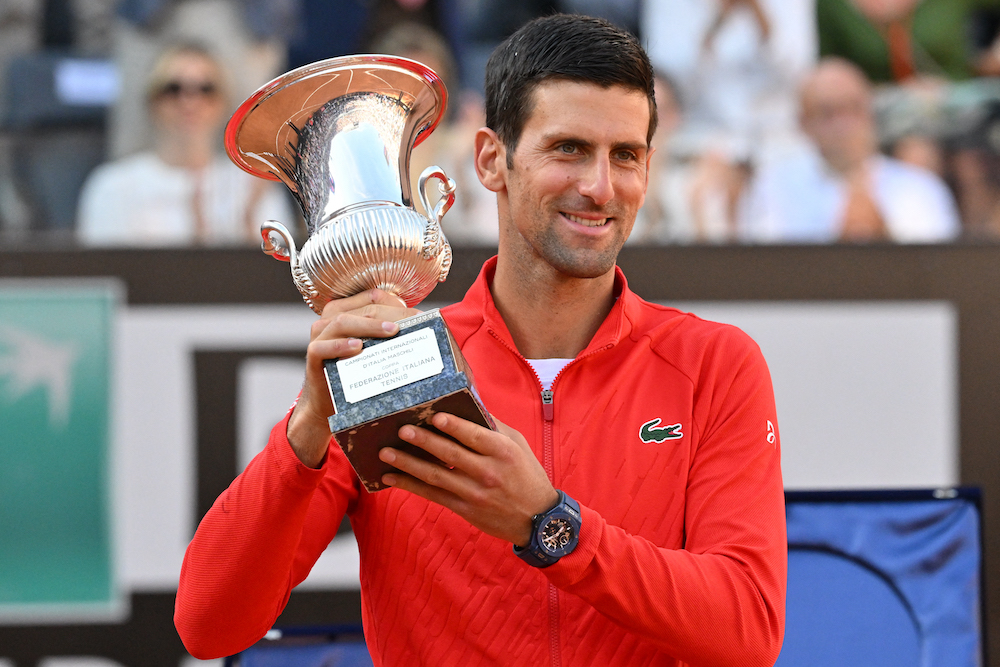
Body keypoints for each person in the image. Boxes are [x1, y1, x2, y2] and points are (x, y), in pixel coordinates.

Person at [175, 14, 786, 666]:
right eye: (569, 148)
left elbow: (746, 630)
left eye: (626, 155)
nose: (601, 187)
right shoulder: (396, 360)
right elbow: (210, 624)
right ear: (491, 160)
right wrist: (307, 428)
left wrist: (548, 524)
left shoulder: (714, 362)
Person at [76, 43, 293, 247]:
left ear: (223, 103)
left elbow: (280, 278)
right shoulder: (113, 186)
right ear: (152, 100)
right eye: (173, 89)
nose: (189, 101)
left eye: (205, 89)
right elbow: (106, 274)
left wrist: (247, 224)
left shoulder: (252, 187)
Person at [739, 57, 960, 243]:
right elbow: (765, 269)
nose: (843, 126)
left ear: (871, 113)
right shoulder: (774, 188)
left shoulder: (920, 189)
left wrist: (882, 233)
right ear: (803, 123)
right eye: (827, 113)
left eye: (853, 109)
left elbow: (938, 272)